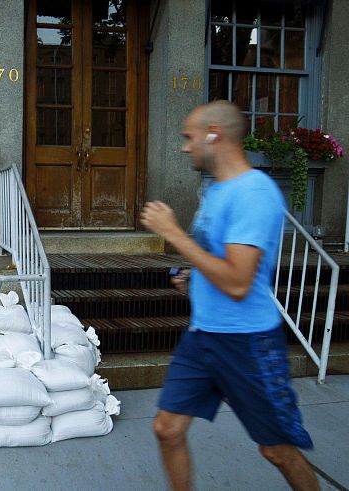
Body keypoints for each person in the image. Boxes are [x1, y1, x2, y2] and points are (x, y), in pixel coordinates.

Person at [140, 101, 319, 491]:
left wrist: (172, 233)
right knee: (167, 429)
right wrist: (193, 276)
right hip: (203, 337)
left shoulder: (255, 193)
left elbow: (238, 283)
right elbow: (217, 259)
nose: (185, 147)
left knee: (277, 450)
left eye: (188, 137)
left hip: (248, 342)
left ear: (214, 134)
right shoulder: (217, 191)